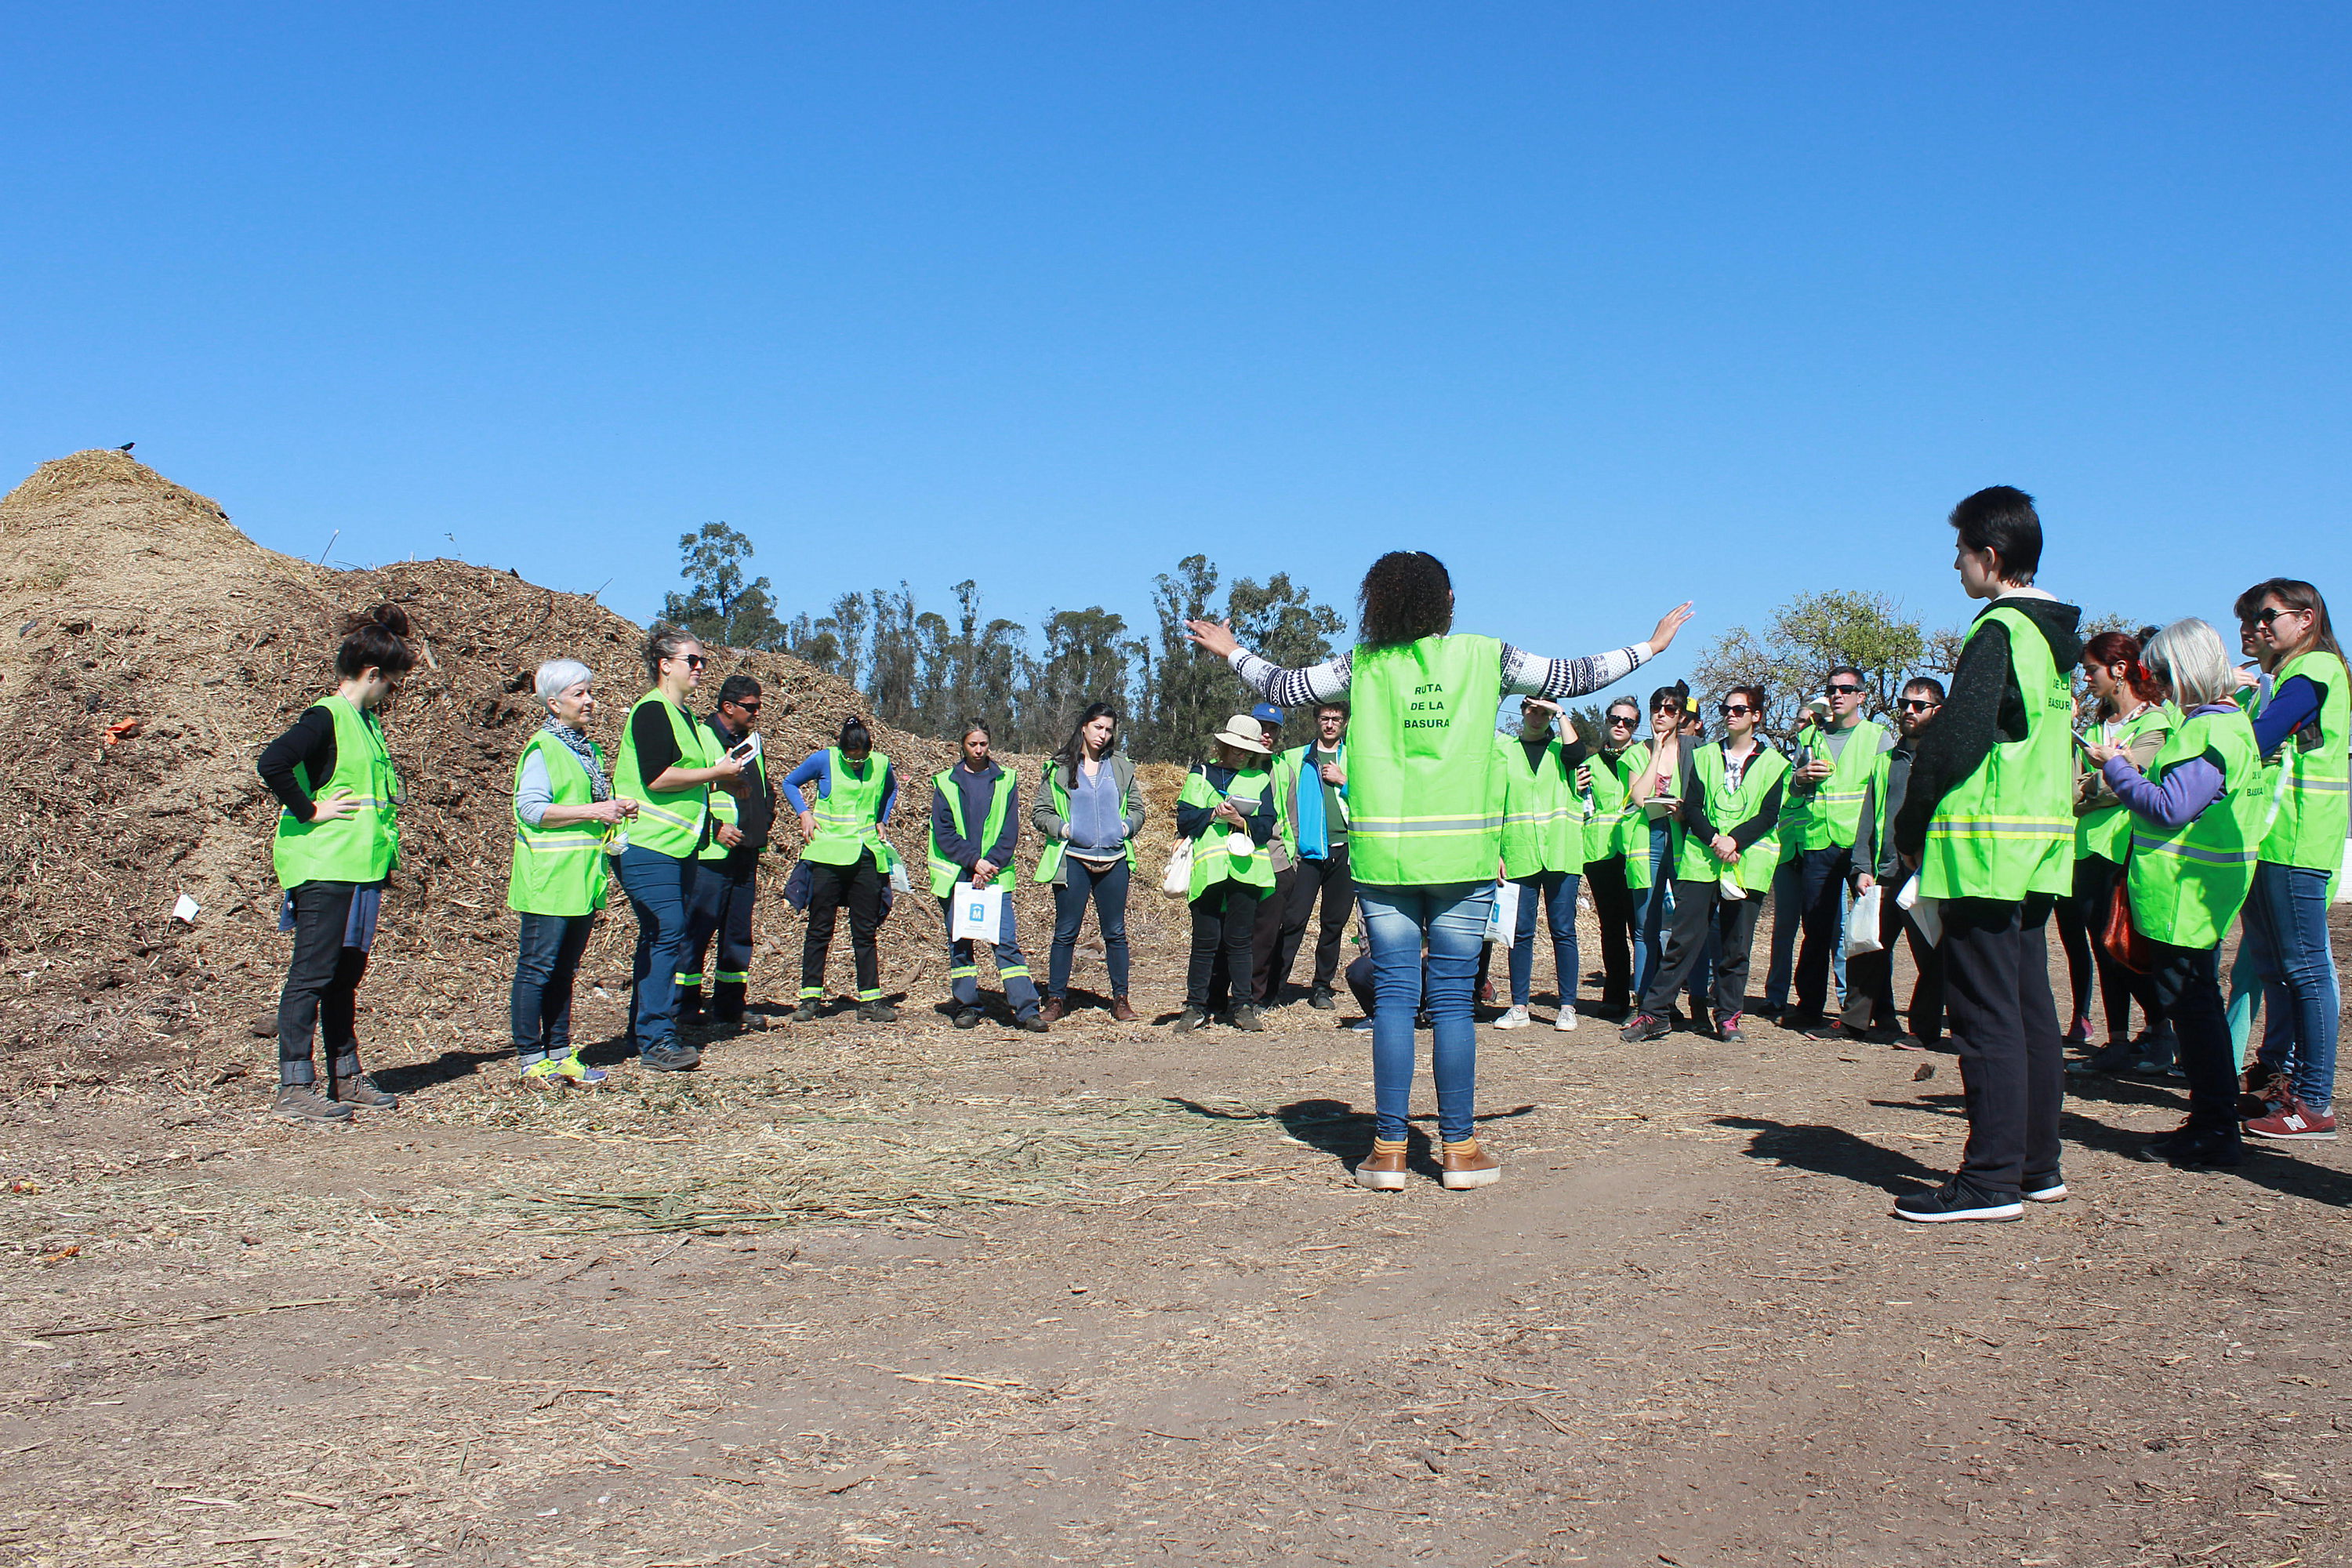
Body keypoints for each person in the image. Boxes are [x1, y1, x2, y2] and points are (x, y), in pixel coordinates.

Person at [1192, 550, 1688, 1191]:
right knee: (1453, 1004)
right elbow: (1575, 674)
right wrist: (1650, 647)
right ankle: (1459, 1149)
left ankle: (1389, 1152)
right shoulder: (1488, 657)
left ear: (1380, 604)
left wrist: (1231, 650)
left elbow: (1285, 687)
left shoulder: (1362, 667)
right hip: (1463, 859)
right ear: (1446, 601)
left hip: (1384, 859)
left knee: (1396, 999)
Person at [1892, 486, 2082, 1223]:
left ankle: (1990, 1180)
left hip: (1984, 855)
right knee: (2030, 1009)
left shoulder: (2000, 629)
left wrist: (1910, 829)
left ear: (1991, 558)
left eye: (1962, 552)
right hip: (2036, 852)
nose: (1956, 564)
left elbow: (1955, 739)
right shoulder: (2052, 640)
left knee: (1984, 1017)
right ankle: (2037, 1166)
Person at [2083, 619, 2270, 1167]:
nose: (2153, 681)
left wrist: (2115, 767)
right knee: (2197, 1008)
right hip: (2195, 891)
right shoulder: (2229, 725)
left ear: (2184, 670)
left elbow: (2169, 807)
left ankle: (2215, 1129)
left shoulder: (2207, 732)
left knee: (2196, 1012)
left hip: (2184, 895)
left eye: (2158, 672)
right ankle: (2210, 1120)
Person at [256, 605, 417, 1123]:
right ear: (371, 675)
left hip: (359, 871)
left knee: (344, 977)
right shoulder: (326, 716)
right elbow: (273, 762)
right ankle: (294, 1087)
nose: (391, 696)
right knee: (312, 974)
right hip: (324, 867)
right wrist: (309, 809)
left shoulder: (364, 723)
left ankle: (345, 1076)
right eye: (391, 685)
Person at [2233, 577, 2347, 1142]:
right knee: (2278, 971)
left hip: (2300, 843)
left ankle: (2315, 1101)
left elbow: (2259, 740)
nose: (2258, 627)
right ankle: (2284, 1088)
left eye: (2267, 616)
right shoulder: (2281, 678)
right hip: (2272, 840)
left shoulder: (2316, 672)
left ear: (2305, 619)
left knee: (2306, 972)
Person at [1621, 685, 1788, 1044]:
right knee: (1683, 940)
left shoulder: (1776, 763)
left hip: (1747, 860)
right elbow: (1692, 805)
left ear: (1756, 716)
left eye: (1740, 710)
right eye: (1726, 708)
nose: (1731, 714)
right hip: (1702, 857)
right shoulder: (1705, 755)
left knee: (1734, 943)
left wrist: (1736, 841)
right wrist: (1715, 838)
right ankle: (1655, 1013)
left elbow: (1769, 813)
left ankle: (1728, 1017)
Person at [613, 627, 746, 1073]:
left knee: (659, 935)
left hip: (678, 846)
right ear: (664, 664)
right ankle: (657, 1036)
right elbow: (657, 778)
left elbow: (686, 784)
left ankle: (644, 1030)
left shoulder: (685, 716)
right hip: (647, 845)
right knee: (669, 932)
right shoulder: (651, 712)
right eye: (692, 660)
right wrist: (715, 772)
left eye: (703, 660)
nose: (700, 668)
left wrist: (720, 780)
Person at [507, 659, 635, 1086]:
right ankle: (530, 1058)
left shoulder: (587, 750)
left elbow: (588, 805)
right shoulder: (544, 748)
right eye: (579, 694)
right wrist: (594, 809)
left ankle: (559, 1051)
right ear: (553, 702)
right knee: (537, 968)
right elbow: (531, 808)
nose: (589, 701)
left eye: (589, 692)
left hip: (580, 879)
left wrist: (615, 808)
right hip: (548, 878)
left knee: (564, 970)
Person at [2060, 631, 2174, 1076]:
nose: (2086, 678)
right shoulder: (2091, 730)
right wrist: (2105, 779)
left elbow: (2124, 783)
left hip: (2129, 849)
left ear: (2119, 670)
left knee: (2126, 947)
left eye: (2091, 670)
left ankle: (2165, 1030)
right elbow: (2073, 790)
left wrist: (2101, 780)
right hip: (2086, 849)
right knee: (2101, 945)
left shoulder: (2156, 724)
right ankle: (2119, 1039)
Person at [1774, 668, 1893, 1036]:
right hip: (1817, 843)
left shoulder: (1878, 737)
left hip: (1861, 848)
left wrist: (1880, 853)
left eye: (1846, 689)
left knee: (1867, 933)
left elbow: (1888, 797)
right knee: (1816, 930)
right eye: (1832, 689)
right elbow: (1792, 790)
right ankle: (1809, 1008)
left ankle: (1878, 1013)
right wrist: (1799, 778)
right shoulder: (1809, 736)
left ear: (1861, 695)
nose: (1838, 695)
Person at [1833, 676, 1947, 1047]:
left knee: (1932, 956)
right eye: (1904, 705)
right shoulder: (1885, 762)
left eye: (1918, 705)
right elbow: (1869, 817)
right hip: (1885, 873)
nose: (1909, 712)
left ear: (1937, 711)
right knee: (1867, 947)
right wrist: (1862, 867)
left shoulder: (1947, 760)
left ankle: (1925, 1030)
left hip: (1928, 876)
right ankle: (1854, 1023)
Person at [927, 725, 1046, 1032]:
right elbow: (944, 833)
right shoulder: (945, 782)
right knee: (961, 943)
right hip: (959, 875)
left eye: (983, 744)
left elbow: (1009, 830)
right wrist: (973, 863)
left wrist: (989, 864)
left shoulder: (1006, 779)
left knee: (1005, 941)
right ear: (962, 746)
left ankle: (1026, 1009)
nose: (979, 749)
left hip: (994, 877)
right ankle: (967, 1006)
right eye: (972, 744)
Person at [1032, 702, 1145, 1023]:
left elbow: (1137, 810)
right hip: (1074, 860)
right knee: (1066, 932)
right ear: (1084, 726)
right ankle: (1055, 1000)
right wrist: (1066, 829)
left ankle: (1121, 999)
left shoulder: (1122, 766)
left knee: (1116, 932)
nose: (1103, 735)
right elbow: (1040, 812)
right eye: (1098, 727)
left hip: (1115, 861)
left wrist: (1123, 828)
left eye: (1108, 729)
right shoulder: (1059, 767)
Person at [677, 674, 776, 1033]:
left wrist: (766, 814)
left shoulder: (751, 740)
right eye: (750, 706)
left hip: (745, 850)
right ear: (728, 707)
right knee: (697, 930)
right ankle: (684, 1007)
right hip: (710, 853)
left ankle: (730, 1006)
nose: (757, 712)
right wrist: (713, 826)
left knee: (737, 933)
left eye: (758, 705)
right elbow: (687, 790)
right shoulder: (701, 737)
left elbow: (762, 784)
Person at [785, 718, 900, 1022]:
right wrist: (804, 814)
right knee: (820, 929)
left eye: (860, 757)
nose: (856, 762)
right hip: (827, 855)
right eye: (850, 757)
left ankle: (870, 1002)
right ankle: (810, 999)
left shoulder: (881, 764)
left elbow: (891, 790)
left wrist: (882, 819)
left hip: (865, 856)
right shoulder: (824, 759)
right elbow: (790, 782)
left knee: (865, 932)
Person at [1173, 713, 1279, 1033]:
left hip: (1247, 873)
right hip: (1209, 871)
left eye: (1247, 749)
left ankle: (1242, 1006)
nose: (1241, 753)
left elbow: (1265, 827)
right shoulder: (1201, 774)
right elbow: (1185, 820)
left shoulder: (1260, 779)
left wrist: (1239, 821)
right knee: (1205, 941)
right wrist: (1213, 813)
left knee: (1240, 940)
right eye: (1235, 747)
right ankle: (1195, 1007)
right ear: (1222, 744)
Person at [1494, 699, 1588, 1031]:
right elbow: (1493, 801)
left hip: (1561, 852)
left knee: (1563, 930)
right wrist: (1496, 852)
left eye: (1545, 712)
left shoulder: (1563, 750)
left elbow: (1578, 755)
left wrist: (1561, 712)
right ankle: (1519, 1006)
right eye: (1533, 709)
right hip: (1519, 853)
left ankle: (1567, 1007)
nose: (1538, 717)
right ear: (1522, 711)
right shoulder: (1504, 750)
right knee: (1520, 933)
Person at [1627, 685, 1711, 1028]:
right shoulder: (1636, 753)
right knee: (1646, 927)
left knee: (1692, 927)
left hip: (1686, 843)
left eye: (1670, 709)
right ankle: (1647, 1003)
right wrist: (1656, 751)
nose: (1662, 714)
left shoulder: (1698, 751)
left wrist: (1685, 812)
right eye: (1656, 708)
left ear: (1681, 716)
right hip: (1648, 842)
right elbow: (1639, 798)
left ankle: (1699, 1004)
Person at [1266, 702, 1355, 1010]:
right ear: (1316, 721)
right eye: (1324, 718)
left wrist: (1345, 781)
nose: (1330, 724)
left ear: (1344, 723)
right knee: (1292, 921)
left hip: (1344, 851)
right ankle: (1272, 988)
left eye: (1336, 719)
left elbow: (1374, 796)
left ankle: (1322, 987)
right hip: (1306, 854)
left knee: (1334, 924)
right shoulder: (1295, 757)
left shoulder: (1354, 758)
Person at [1580, 698, 1646, 1017]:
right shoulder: (1588, 764)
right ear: (1607, 720)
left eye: (1628, 721)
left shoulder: (1644, 759)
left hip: (1635, 851)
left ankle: (1647, 995)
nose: (1621, 725)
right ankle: (1615, 994)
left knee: (1640, 926)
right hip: (1600, 854)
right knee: (1611, 927)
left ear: (1636, 727)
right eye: (1615, 718)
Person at [1243, 702, 1299, 1006]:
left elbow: (1292, 821)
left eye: (1272, 729)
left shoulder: (1284, 770)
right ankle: (1224, 994)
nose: (1266, 734)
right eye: (1261, 727)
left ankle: (1256, 996)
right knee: (1236, 932)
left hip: (1277, 863)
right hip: (1237, 860)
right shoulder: (1233, 763)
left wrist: (1293, 862)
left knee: (1266, 936)